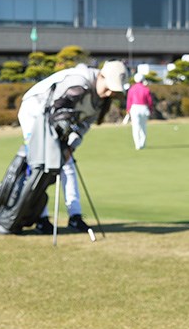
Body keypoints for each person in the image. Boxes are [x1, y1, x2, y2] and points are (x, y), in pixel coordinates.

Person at [16, 60, 127, 233]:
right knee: (40, 164)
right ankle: (41, 217)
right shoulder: (78, 82)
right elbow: (55, 109)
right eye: (109, 87)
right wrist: (57, 143)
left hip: (56, 121)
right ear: (101, 76)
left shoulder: (99, 99)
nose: (111, 92)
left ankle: (75, 216)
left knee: (68, 165)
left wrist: (70, 147)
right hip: (34, 113)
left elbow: (84, 126)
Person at [125, 73, 154, 150]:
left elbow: (129, 100)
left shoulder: (132, 89)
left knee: (135, 127)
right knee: (143, 127)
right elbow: (150, 101)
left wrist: (128, 109)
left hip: (134, 108)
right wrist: (151, 109)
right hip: (144, 108)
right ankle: (142, 143)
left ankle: (137, 145)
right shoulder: (146, 89)